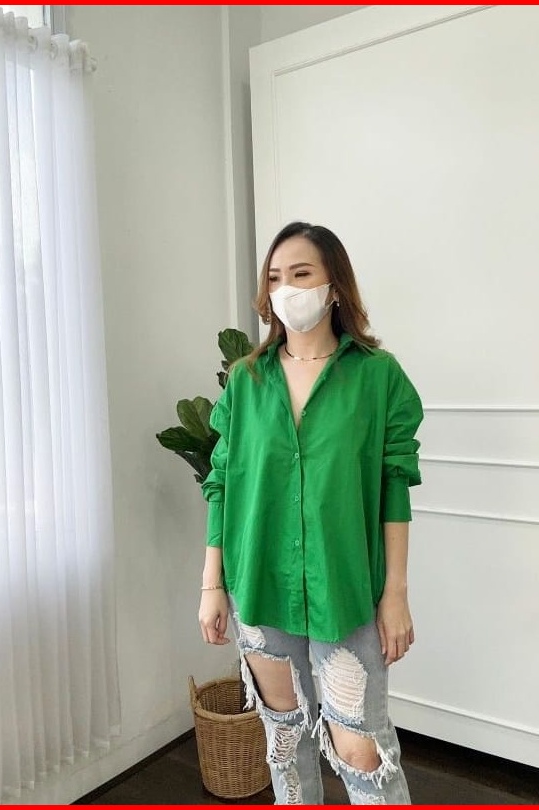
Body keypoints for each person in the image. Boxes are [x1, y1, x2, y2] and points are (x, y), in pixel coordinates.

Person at [198, 221, 423, 805]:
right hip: (259, 583)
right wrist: (212, 585)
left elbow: (393, 486)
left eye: (301, 274)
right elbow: (221, 484)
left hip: (346, 589)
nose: (286, 289)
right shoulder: (246, 382)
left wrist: (395, 592)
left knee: (361, 748)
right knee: (285, 736)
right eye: (275, 278)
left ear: (335, 286)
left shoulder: (377, 377)